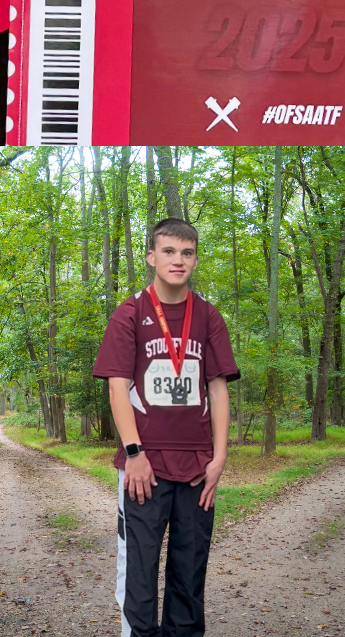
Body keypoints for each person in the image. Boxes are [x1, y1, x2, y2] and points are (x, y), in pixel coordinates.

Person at [93, 217, 240, 637]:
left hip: (197, 466)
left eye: (187, 252)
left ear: (195, 259)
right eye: (170, 251)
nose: (179, 260)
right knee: (139, 573)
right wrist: (134, 454)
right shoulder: (130, 312)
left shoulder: (209, 317)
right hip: (145, 467)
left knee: (189, 573)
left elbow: (217, 388)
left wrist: (220, 457)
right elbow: (118, 388)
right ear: (152, 257)